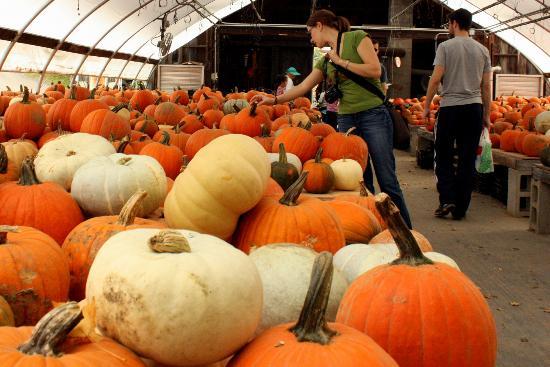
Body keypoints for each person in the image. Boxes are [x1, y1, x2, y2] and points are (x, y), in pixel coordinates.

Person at [252, 9, 412, 228]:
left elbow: (375, 70)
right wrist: (271, 101)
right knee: (359, 183)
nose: (311, 39)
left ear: (319, 25)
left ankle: (407, 231)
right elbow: (304, 86)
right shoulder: (326, 60)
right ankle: (376, 228)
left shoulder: (357, 38)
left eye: (311, 33)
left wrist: (341, 61)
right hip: (347, 119)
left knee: (387, 179)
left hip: (373, 114)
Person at [422, 8, 491, 220]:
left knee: (443, 154)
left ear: (453, 23)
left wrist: (426, 106)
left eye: (449, 24)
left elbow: (435, 79)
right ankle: (461, 207)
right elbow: (486, 86)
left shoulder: (445, 47)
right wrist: (486, 115)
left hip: (450, 107)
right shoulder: (482, 50)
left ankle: (447, 200)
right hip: (473, 109)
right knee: (467, 158)